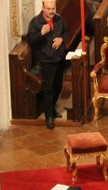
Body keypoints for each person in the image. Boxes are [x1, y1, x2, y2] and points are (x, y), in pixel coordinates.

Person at [27, 0, 69, 129]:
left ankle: (51, 109)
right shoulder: (35, 22)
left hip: (59, 58)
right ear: (43, 8)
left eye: (53, 8)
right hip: (46, 60)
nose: (51, 11)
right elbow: (30, 39)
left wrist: (61, 39)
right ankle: (49, 117)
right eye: (49, 9)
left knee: (58, 86)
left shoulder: (59, 19)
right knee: (48, 88)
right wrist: (42, 33)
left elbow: (66, 32)